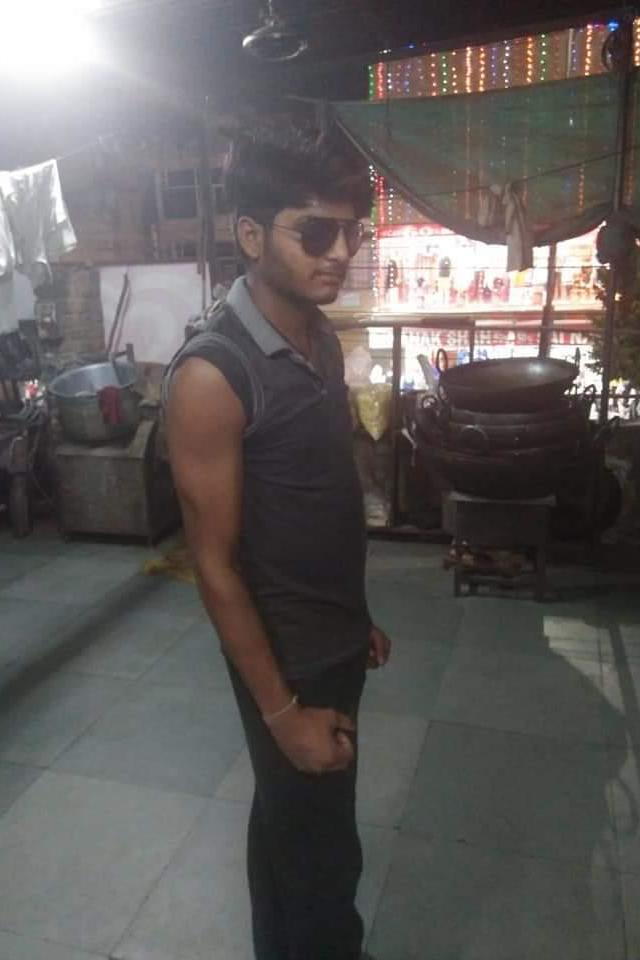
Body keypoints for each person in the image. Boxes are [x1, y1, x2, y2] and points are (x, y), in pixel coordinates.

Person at [164, 123, 391, 960]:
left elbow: (312, 500)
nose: (341, 254)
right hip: (285, 654)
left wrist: (353, 619)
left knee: (289, 830)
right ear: (252, 235)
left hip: (330, 634)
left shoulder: (317, 336)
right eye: (316, 232)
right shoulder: (214, 375)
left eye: (352, 234)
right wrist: (285, 713)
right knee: (323, 855)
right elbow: (215, 565)